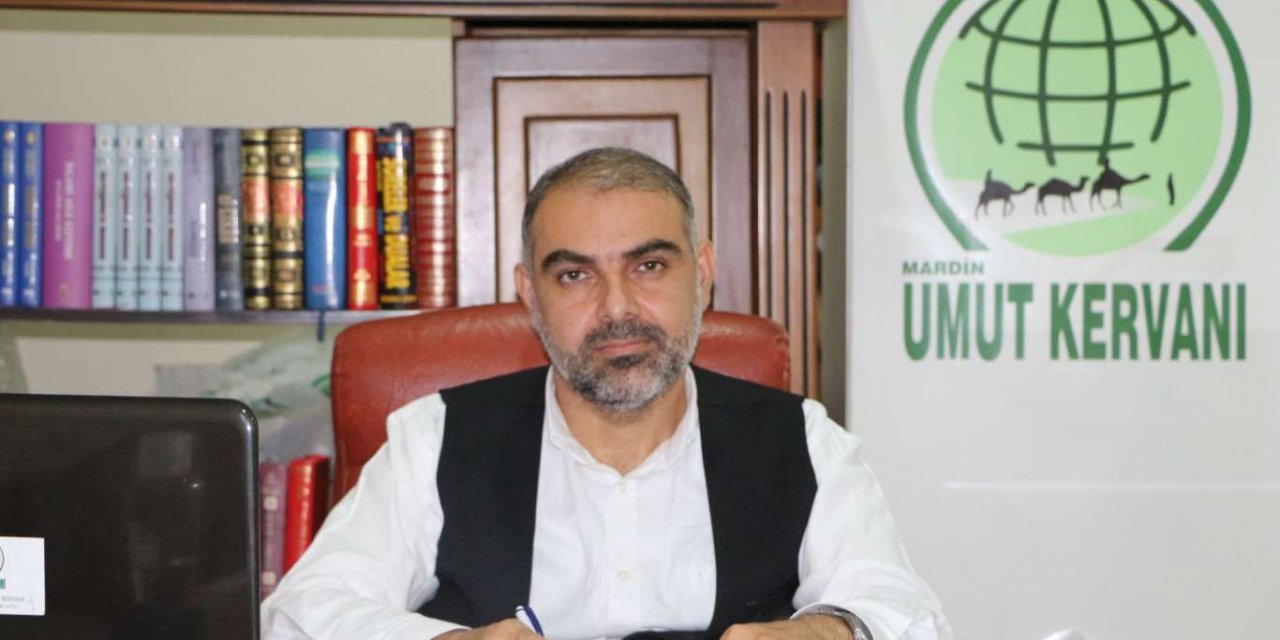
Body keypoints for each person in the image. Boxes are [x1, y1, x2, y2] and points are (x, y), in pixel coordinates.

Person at [261, 148, 949, 640]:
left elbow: (907, 613)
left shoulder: (803, 439)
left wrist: (830, 631)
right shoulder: (435, 439)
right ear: (529, 294)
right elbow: (299, 613)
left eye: (649, 266)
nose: (617, 308)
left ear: (702, 273)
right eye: (574, 276)